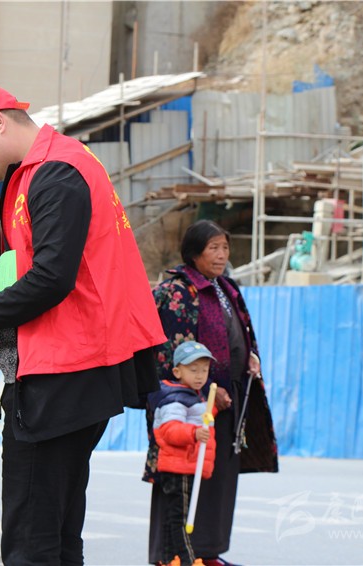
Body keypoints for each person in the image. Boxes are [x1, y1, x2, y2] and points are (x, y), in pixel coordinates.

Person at [0, 80, 165, 565]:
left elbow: (53, 276)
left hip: (63, 370)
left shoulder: (56, 172)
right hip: (69, 365)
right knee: (56, 533)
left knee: (31, 539)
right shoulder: (44, 168)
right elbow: (24, 271)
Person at [144, 220, 278, 566]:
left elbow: (242, 333)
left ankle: (207, 552)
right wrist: (203, 390)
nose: (221, 255)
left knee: (218, 476)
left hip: (229, 397)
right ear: (194, 252)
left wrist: (250, 355)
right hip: (186, 404)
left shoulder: (227, 288)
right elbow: (170, 354)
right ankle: (172, 554)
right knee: (179, 476)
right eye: (213, 248)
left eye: (225, 248)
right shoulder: (176, 291)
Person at [148, 341, 218, 566]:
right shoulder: (175, 398)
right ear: (178, 372)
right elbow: (170, 430)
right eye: (193, 370)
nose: (200, 376)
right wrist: (194, 433)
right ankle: (187, 560)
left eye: (204, 370)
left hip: (186, 465)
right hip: (179, 466)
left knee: (175, 517)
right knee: (181, 520)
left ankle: (171, 559)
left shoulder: (193, 395)